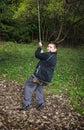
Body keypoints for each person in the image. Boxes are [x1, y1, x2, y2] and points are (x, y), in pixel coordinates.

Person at [19, 41, 57, 111]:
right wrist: (42, 54)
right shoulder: (54, 56)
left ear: (55, 49)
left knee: (28, 86)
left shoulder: (48, 55)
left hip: (38, 76)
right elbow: (43, 59)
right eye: (48, 46)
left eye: (51, 47)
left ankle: (26, 104)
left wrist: (39, 47)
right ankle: (41, 103)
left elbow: (37, 55)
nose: (48, 48)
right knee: (39, 88)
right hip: (46, 79)